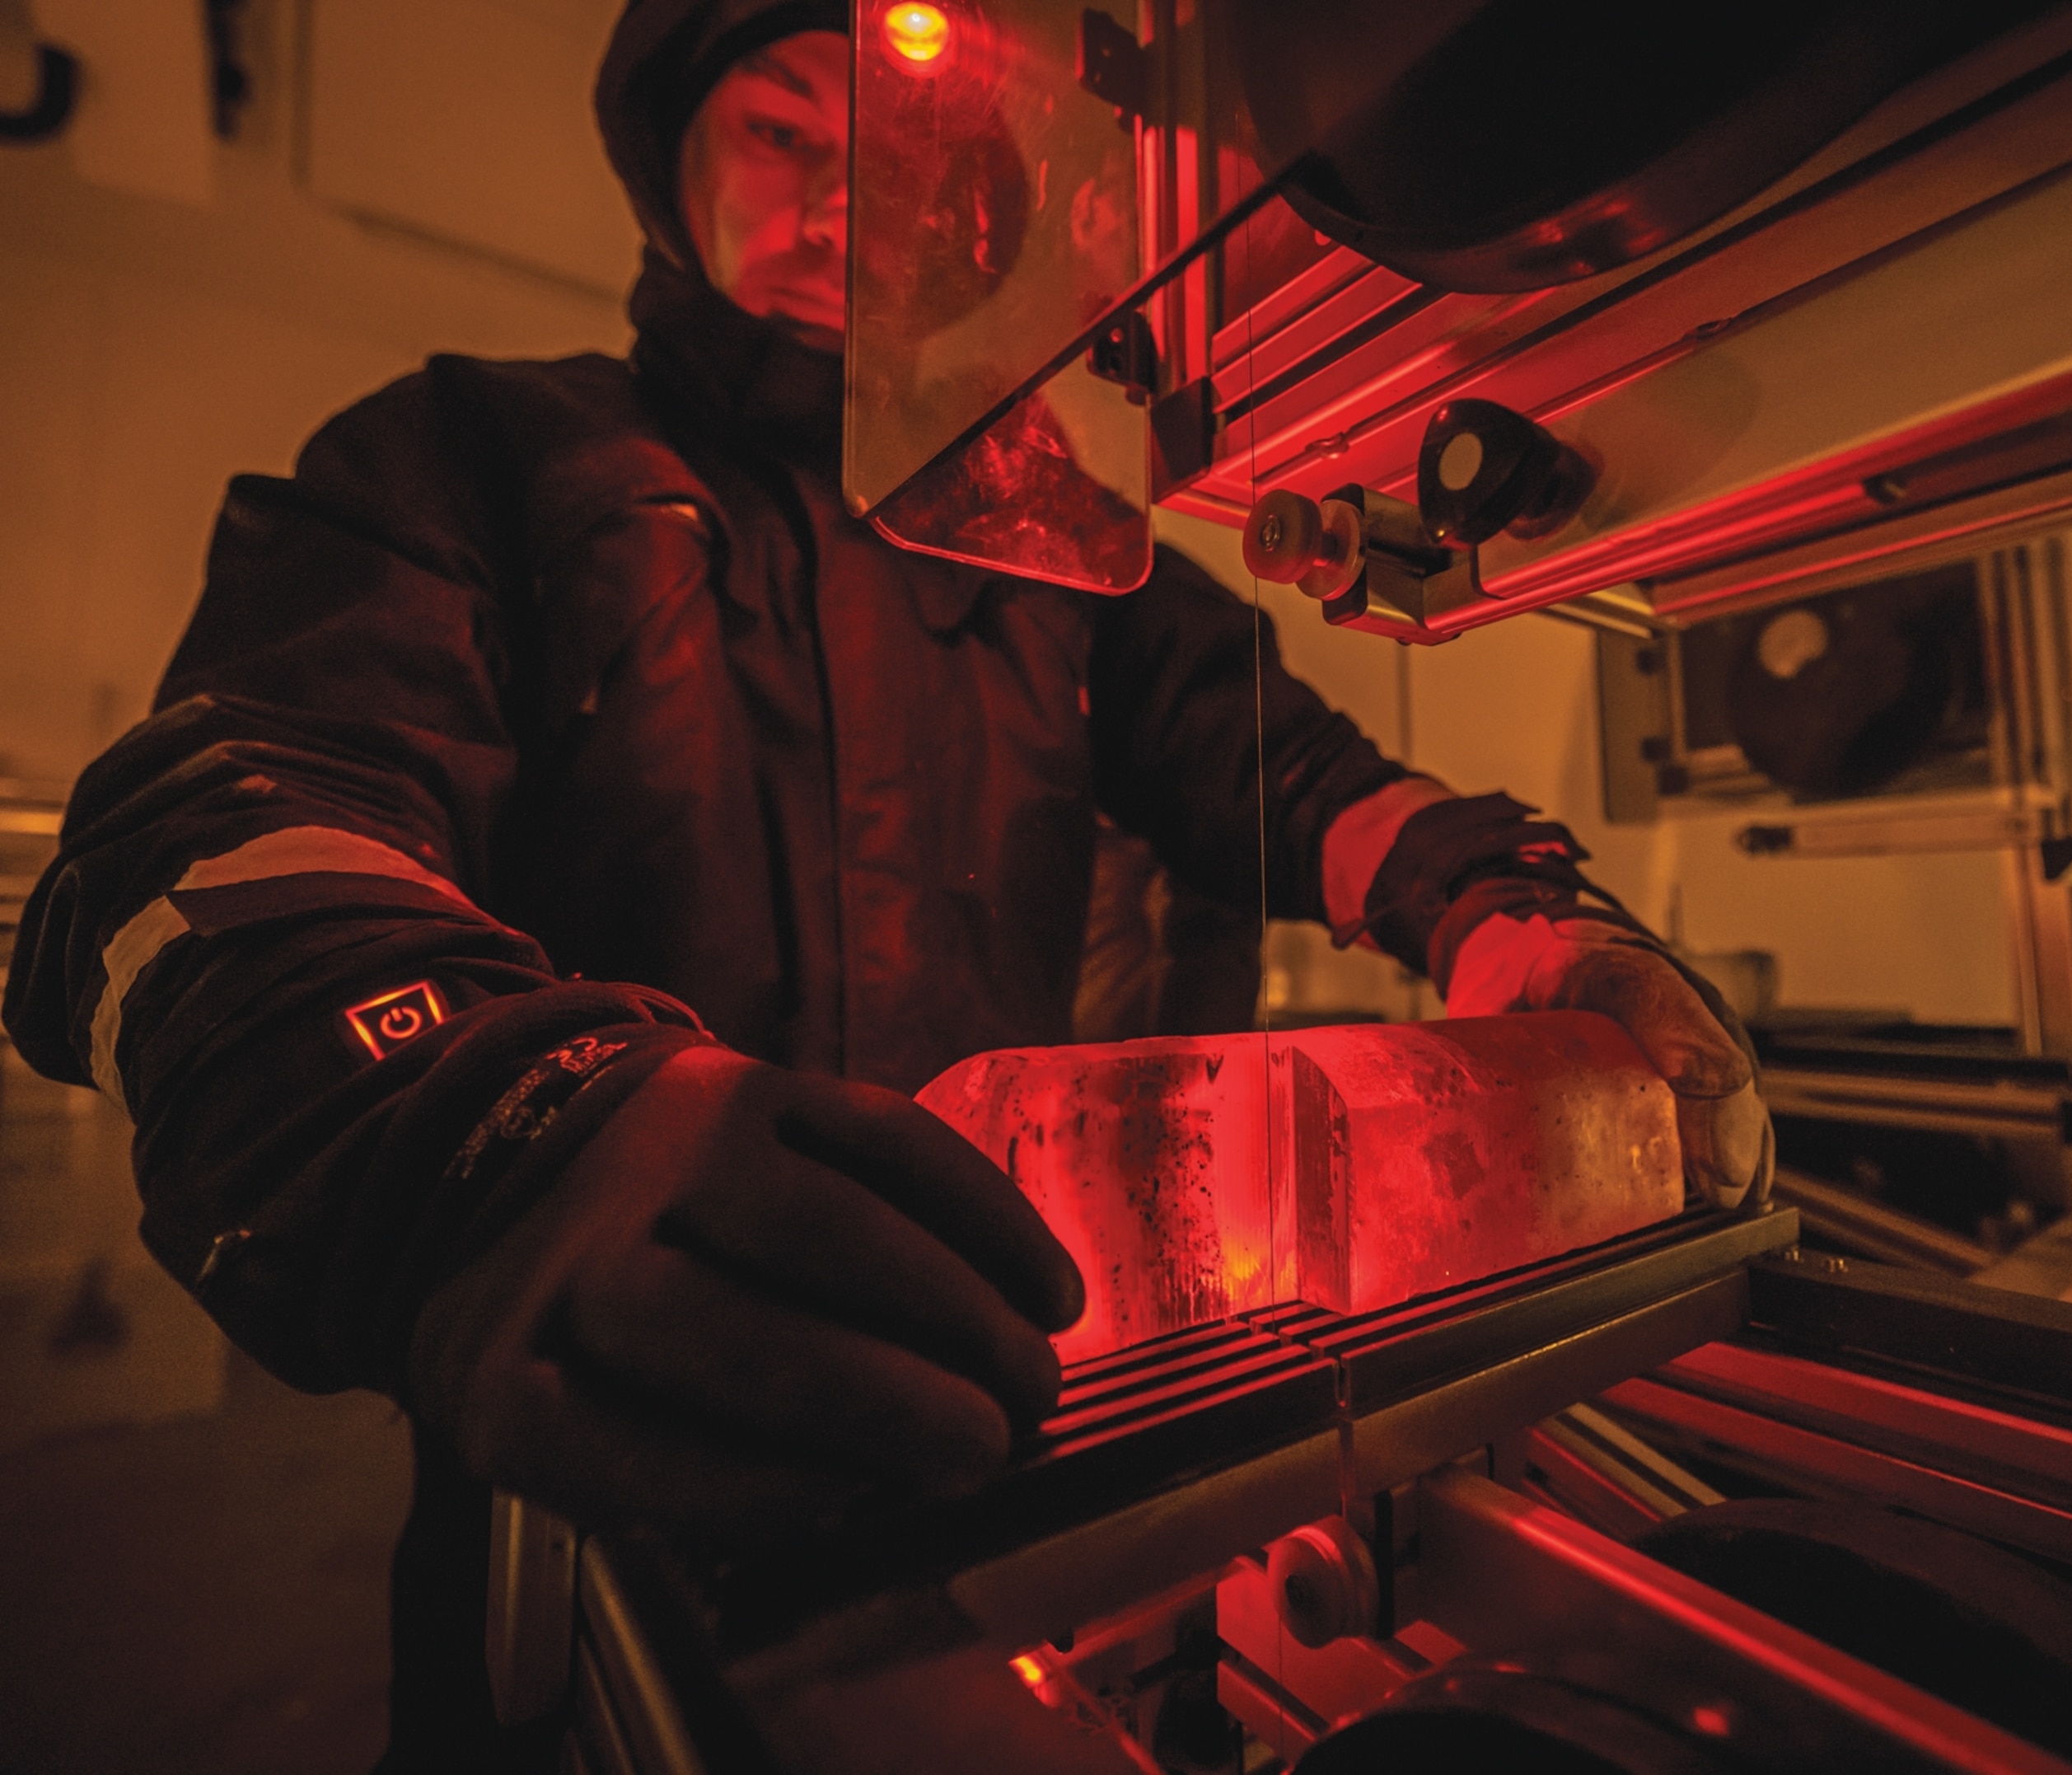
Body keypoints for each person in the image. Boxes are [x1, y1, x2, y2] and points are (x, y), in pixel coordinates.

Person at [1, 1, 1771, 1765]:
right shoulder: (472, 460)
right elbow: (203, 845)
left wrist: (1517, 914)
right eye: (785, 134)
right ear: (668, 162)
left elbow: (1295, 776)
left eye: (904, 155)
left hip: (1023, 1408)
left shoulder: (1061, 553)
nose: (847, 197)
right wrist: (499, 1134)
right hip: (598, 1472)